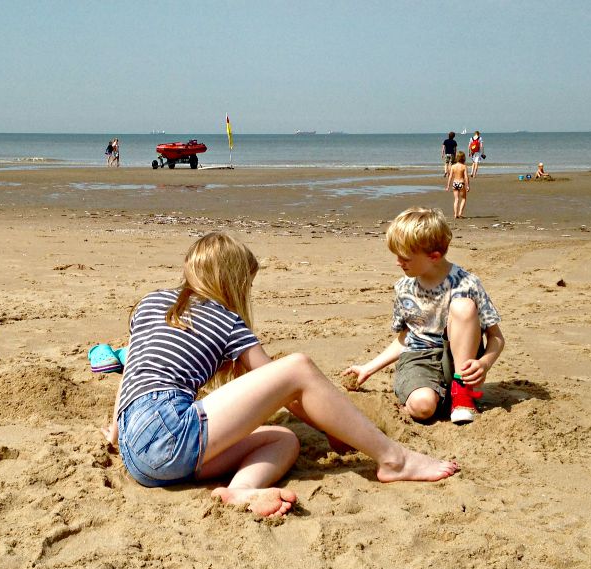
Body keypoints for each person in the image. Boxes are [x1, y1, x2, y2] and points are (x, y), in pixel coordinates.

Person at [100, 232, 459, 518]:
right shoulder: (228, 320)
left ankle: (241, 489)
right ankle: (394, 459)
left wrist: (116, 430)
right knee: (297, 367)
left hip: (141, 458)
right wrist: (332, 429)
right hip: (168, 430)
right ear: (234, 282)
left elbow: (132, 366)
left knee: (284, 440)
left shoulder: (150, 302)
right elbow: (285, 385)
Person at [344, 208, 505, 425]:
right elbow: (405, 338)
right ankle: (432, 396)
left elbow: (496, 338)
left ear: (434, 256)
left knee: (463, 306)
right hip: (419, 359)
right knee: (423, 407)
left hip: (459, 362)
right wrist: (369, 368)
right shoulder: (403, 288)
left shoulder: (467, 283)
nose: (398, 262)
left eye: (405, 257)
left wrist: (484, 363)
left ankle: (461, 392)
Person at [446, 151, 470, 219]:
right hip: (461, 183)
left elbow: (450, 176)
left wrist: (448, 186)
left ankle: (455, 214)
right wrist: (467, 185)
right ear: (463, 158)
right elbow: (466, 176)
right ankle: (460, 213)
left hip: (455, 183)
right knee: (463, 198)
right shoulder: (464, 166)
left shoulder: (453, 166)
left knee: (456, 199)